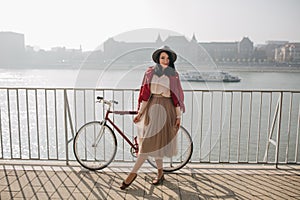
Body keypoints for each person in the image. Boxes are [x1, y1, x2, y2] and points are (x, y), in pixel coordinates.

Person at [120, 46, 185, 190]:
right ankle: (160, 173)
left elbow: (176, 97)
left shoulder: (173, 75)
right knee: (154, 143)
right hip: (152, 108)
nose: (165, 60)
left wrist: (178, 115)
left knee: (150, 144)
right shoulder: (150, 72)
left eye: (168, 58)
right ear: (157, 59)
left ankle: (132, 174)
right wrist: (140, 112)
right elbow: (145, 94)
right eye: (163, 58)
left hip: (167, 110)